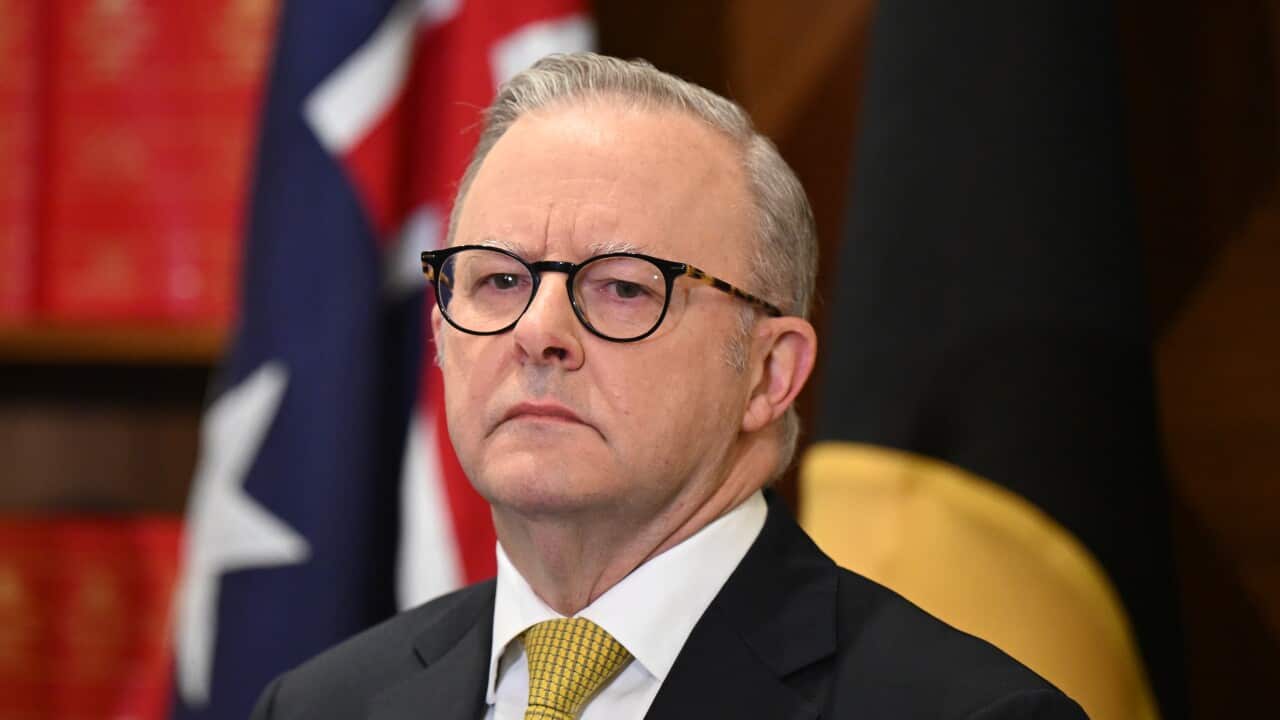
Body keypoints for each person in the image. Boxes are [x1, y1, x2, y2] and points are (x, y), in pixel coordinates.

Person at [251, 52, 1086, 719]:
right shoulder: (322, 705)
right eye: (498, 281)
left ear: (769, 373)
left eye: (624, 288)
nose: (538, 331)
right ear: (437, 327)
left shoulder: (971, 713)